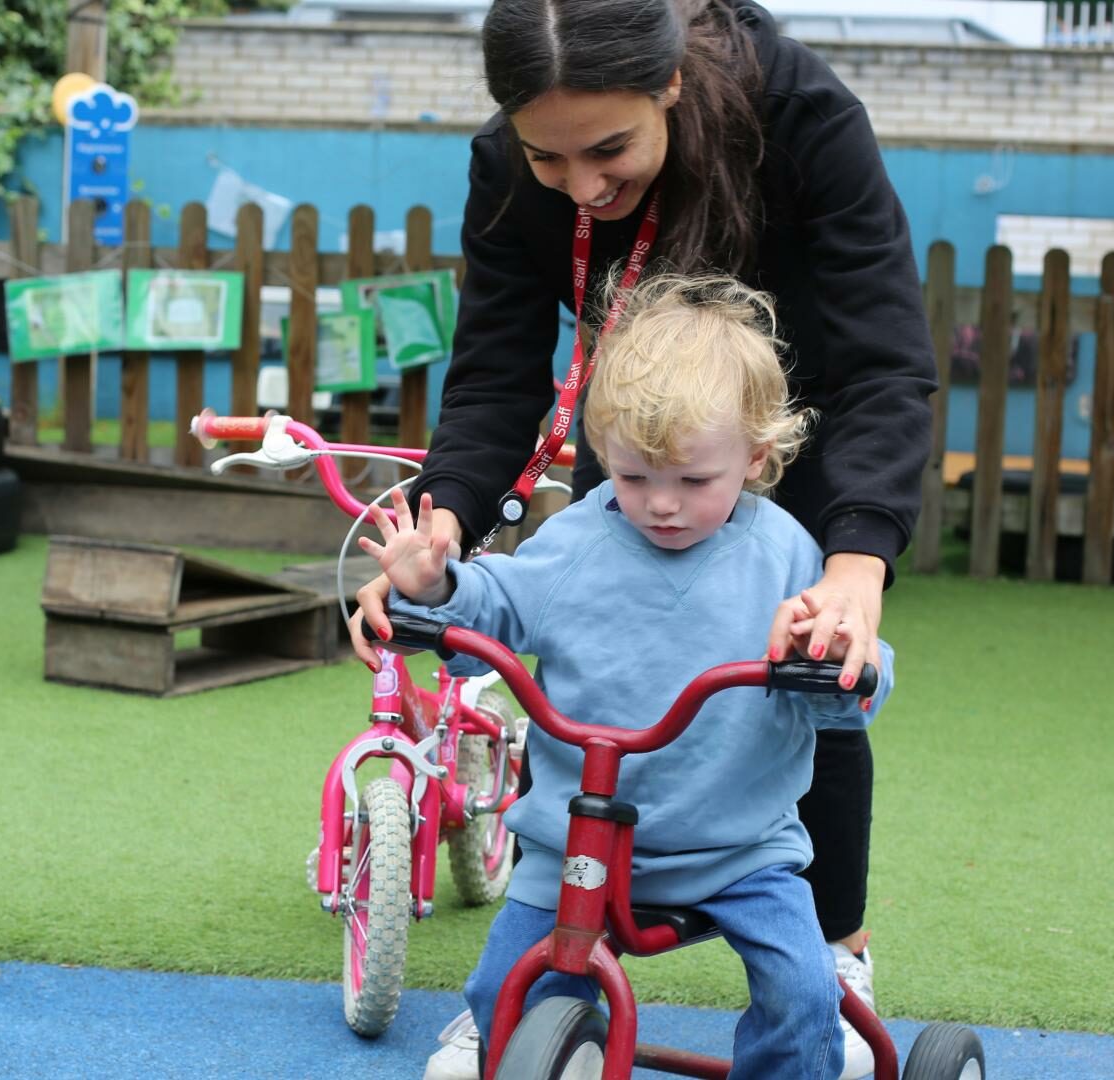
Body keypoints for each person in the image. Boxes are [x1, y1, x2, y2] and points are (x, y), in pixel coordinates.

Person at [347, 3, 935, 1076]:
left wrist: (854, 564)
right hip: (644, 424)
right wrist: (443, 530)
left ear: (668, 86)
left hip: (768, 419)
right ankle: (536, 986)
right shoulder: (511, 165)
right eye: (547, 156)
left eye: (608, 149)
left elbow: (884, 362)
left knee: (799, 672)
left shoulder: (798, 114)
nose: (579, 184)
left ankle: (831, 955)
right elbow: (496, 364)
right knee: (612, 645)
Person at [362, 274, 895, 1080]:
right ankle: (570, 1043)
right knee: (498, 993)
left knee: (802, 993)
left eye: (694, 481)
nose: (663, 505)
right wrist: (433, 588)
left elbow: (858, 679)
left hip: (741, 849)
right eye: (636, 476)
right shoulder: (576, 542)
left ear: (755, 456)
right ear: (603, 448)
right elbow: (493, 611)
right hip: (574, 848)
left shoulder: (784, 554)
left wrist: (833, 659)